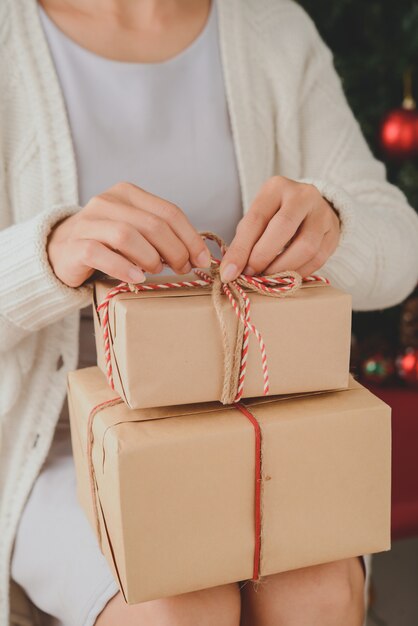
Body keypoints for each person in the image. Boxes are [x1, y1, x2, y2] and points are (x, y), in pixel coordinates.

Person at [1, 0, 418, 624]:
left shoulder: (271, 28)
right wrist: (47, 255)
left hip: (265, 424)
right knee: (177, 608)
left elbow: (401, 248)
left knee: (318, 594)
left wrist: (335, 225)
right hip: (58, 444)